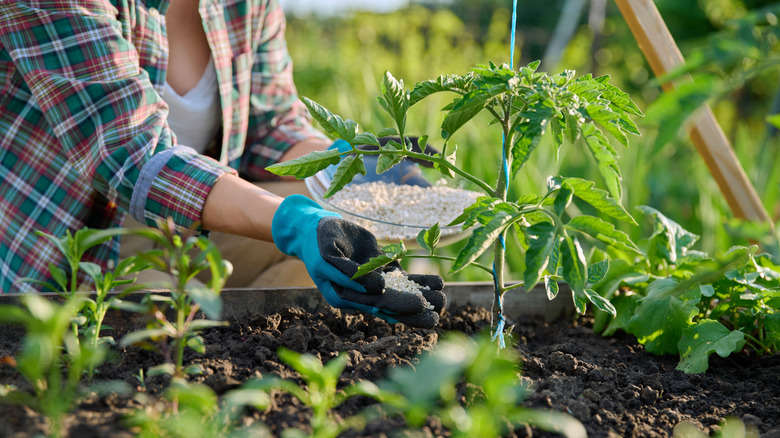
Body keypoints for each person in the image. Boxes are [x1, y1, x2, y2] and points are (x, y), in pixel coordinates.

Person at [0, 0, 446, 328]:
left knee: (370, 241)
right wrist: (293, 222)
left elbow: (272, 126)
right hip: (81, 246)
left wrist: (348, 166)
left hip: (196, 228)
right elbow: (132, 154)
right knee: (167, 321)